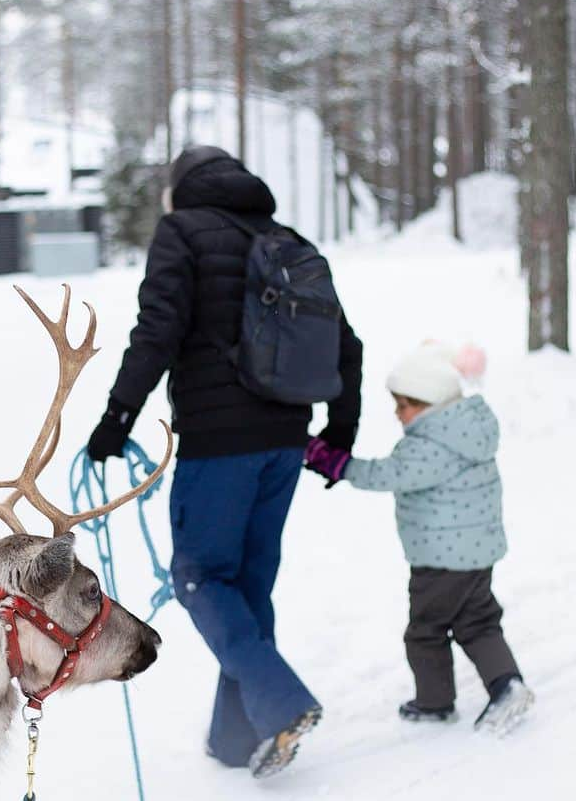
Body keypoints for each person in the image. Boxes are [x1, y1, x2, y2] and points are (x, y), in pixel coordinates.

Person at [87, 145, 364, 778]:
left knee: (201, 577)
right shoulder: (285, 239)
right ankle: (233, 740)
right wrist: (338, 434)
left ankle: (283, 702)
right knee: (246, 588)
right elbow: (345, 344)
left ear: (181, 188)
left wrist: (118, 417)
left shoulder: (181, 231)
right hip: (287, 440)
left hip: (219, 443)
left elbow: (157, 329)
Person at [304, 342, 534, 735]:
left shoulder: (428, 446)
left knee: (425, 632)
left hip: (439, 562)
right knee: (478, 622)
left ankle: (435, 702)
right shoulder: (468, 433)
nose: (398, 414)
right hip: (478, 555)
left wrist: (335, 463)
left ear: (428, 403)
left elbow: (385, 475)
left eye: (403, 405)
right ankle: (506, 684)